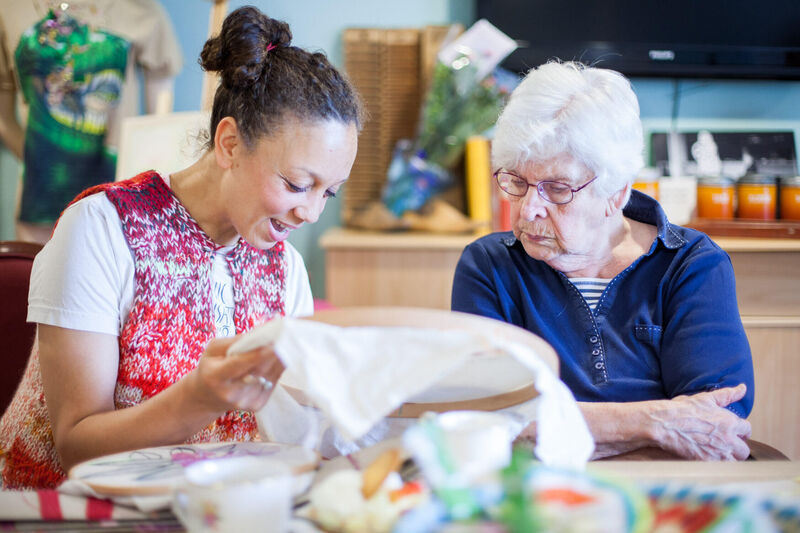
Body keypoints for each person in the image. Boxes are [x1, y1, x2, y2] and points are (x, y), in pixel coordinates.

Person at [0, 6, 363, 489]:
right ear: (229, 144)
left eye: (329, 192)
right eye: (298, 184)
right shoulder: (102, 230)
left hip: (205, 509)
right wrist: (202, 396)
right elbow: (77, 447)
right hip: (66, 511)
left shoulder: (284, 267)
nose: (311, 213)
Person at [451, 61, 754, 461]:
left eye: (556, 189)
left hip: (669, 489)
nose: (527, 211)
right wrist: (656, 421)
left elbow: (716, 419)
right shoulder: (488, 266)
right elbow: (488, 418)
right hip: (534, 494)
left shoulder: (690, 264)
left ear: (616, 192)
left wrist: (549, 427)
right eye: (517, 182)